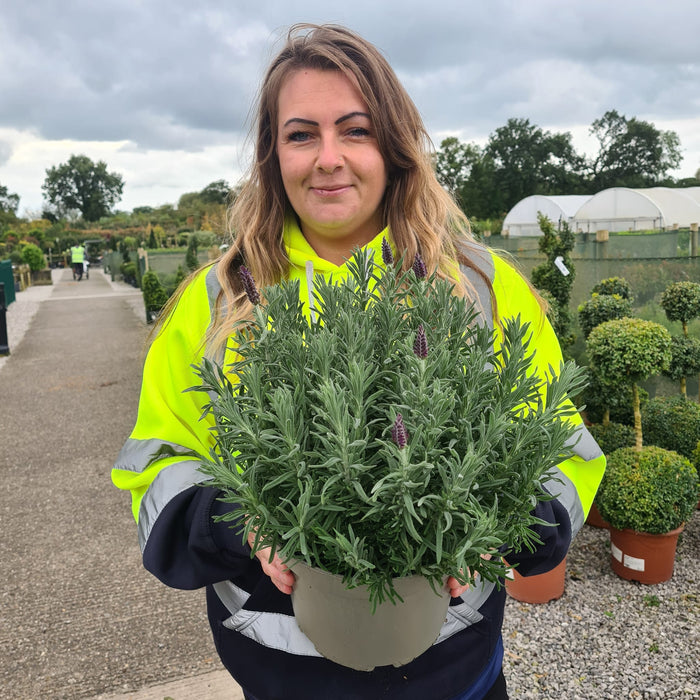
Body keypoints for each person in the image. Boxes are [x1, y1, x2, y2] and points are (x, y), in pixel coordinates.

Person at [112, 24, 605, 700]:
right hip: (280, 673)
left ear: (394, 145)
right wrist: (244, 522)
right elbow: (159, 470)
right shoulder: (218, 301)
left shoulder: (479, 287)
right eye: (301, 134)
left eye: (356, 130)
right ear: (271, 153)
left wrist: (497, 527)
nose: (329, 158)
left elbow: (561, 450)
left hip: (454, 675)